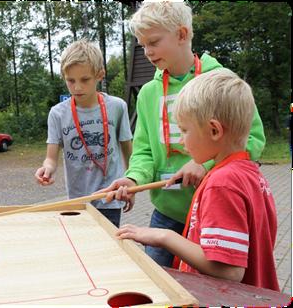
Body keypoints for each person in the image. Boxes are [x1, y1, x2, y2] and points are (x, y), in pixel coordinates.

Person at [99, 1, 265, 266]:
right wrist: (133, 179)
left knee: (213, 287)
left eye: (153, 42)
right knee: (158, 286)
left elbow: (253, 138)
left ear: (182, 34)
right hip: (167, 212)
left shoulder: (221, 81)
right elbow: (143, 150)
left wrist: (205, 164)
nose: (147, 52)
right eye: (142, 45)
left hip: (215, 215)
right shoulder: (148, 93)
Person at [116, 69, 279, 291]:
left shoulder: (223, 183)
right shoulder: (249, 173)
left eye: (184, 130)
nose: (181, 140)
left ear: (214, 130)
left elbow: (229, 271)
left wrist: (165, 236)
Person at [34, 40, 133, 227]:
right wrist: (46, 169)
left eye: (85, 80)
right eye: (70, 80)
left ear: (100, 75)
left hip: (109, 198)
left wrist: (132, 185)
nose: (77, 87)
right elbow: (51, 159)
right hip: (78, 201)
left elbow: (129, 152)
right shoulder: (57, 113)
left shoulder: (117, 107)